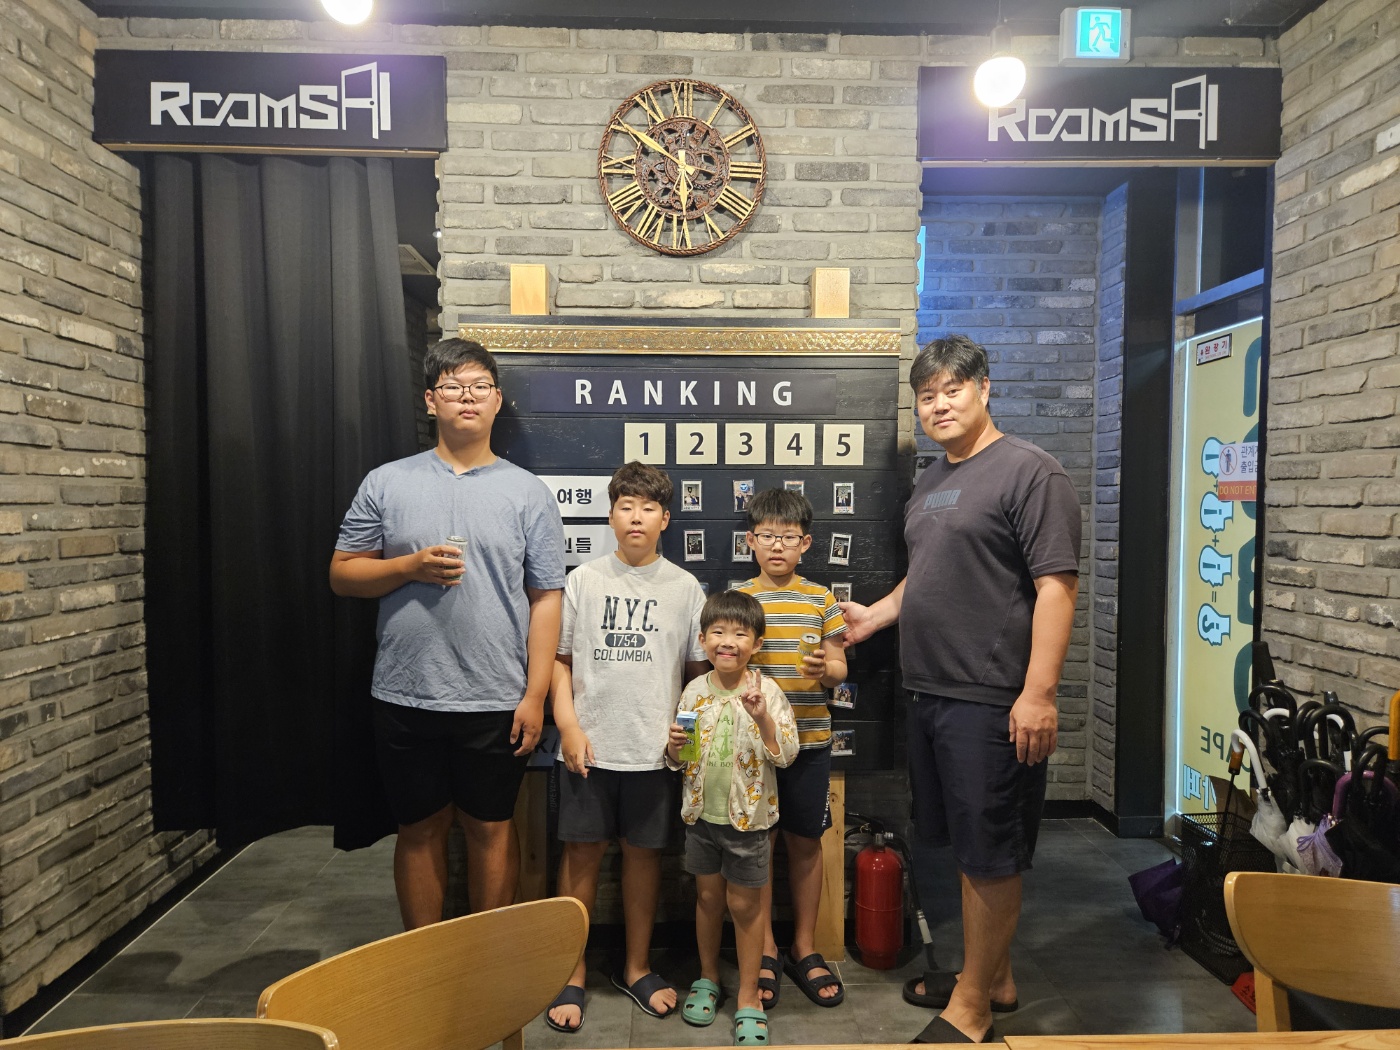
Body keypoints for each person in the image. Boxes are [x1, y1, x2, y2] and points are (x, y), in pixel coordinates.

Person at [840, 335, 1080, 1045]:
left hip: (992, 697)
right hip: (930, 690)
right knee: (964, 845)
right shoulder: (933, 482)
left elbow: (1056, 586)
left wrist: (1039, 693)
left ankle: (973, 1007)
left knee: (989, 853)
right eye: (927, 396)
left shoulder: (1031, 472)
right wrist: (877, 615)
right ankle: (993, 978)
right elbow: (929, 573)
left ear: (984, 389)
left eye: (952, 390)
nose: (939, 405)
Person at [329, 338, 565, 929]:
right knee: (418, 828)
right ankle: (425, 959)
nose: (468, 397)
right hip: (406, 691)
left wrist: (535, 694)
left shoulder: (528, 493)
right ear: (431, 400)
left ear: (497, 401)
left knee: (492, 826)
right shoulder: (387, 482)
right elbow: (342, 574)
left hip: (497, 696)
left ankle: (485, 959)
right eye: (454, 387)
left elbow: (546, 598)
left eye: (480, 386)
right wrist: (407, 567)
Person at [545, 462, 710, 1033]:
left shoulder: (685, 588)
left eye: (648, 507)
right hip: (587, 749)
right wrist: (568, 726)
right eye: (625, 506)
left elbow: (697, 675)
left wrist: (684, 738)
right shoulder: (584, 580)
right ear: (611, 515)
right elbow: (559, 663)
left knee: (644, 860)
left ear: (665, 519)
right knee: (580, 859)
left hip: (653, 753)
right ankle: (570, 971)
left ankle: (636, 966)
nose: (636, 516)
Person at [666, 591, 798, 1046]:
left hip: (749, 822)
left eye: (740, 634)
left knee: (745, 906)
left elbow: (786, 754)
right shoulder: (694, 691)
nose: (728, 641)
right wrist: (673, 748)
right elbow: (682, 757)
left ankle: (748, 994)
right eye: (718, 632)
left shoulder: (767, 692)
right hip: (701, 817)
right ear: (703, 640)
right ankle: (707, 977)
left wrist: (762, 719)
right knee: (707, 899)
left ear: (756, 644)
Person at [737, 489, 848, 1009]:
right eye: (767, 536)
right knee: (758, 846)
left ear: (805, 543)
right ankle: (764, 948)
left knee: (805, 843)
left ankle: (804, 946)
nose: (776, 545)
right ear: (750, 541)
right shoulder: (739, 599)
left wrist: (827, 670)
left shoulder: (821, 599)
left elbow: (840, 667)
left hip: (810, 741)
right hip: (754, 745)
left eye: (787, 537)